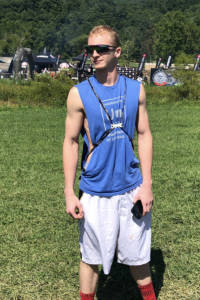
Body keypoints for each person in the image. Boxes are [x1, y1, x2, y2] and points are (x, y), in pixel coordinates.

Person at [63, 25, 156, 300]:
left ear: (117, 52)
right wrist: (70, 192)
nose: (94, 54)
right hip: (94, 191)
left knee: (138, 254)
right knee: (91, 257)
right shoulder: (79, 94)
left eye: (101, 49)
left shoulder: (136, 90)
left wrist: (147, 185)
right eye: (90, 49)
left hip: (131, 187)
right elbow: (70, 142)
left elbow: (144, 134)